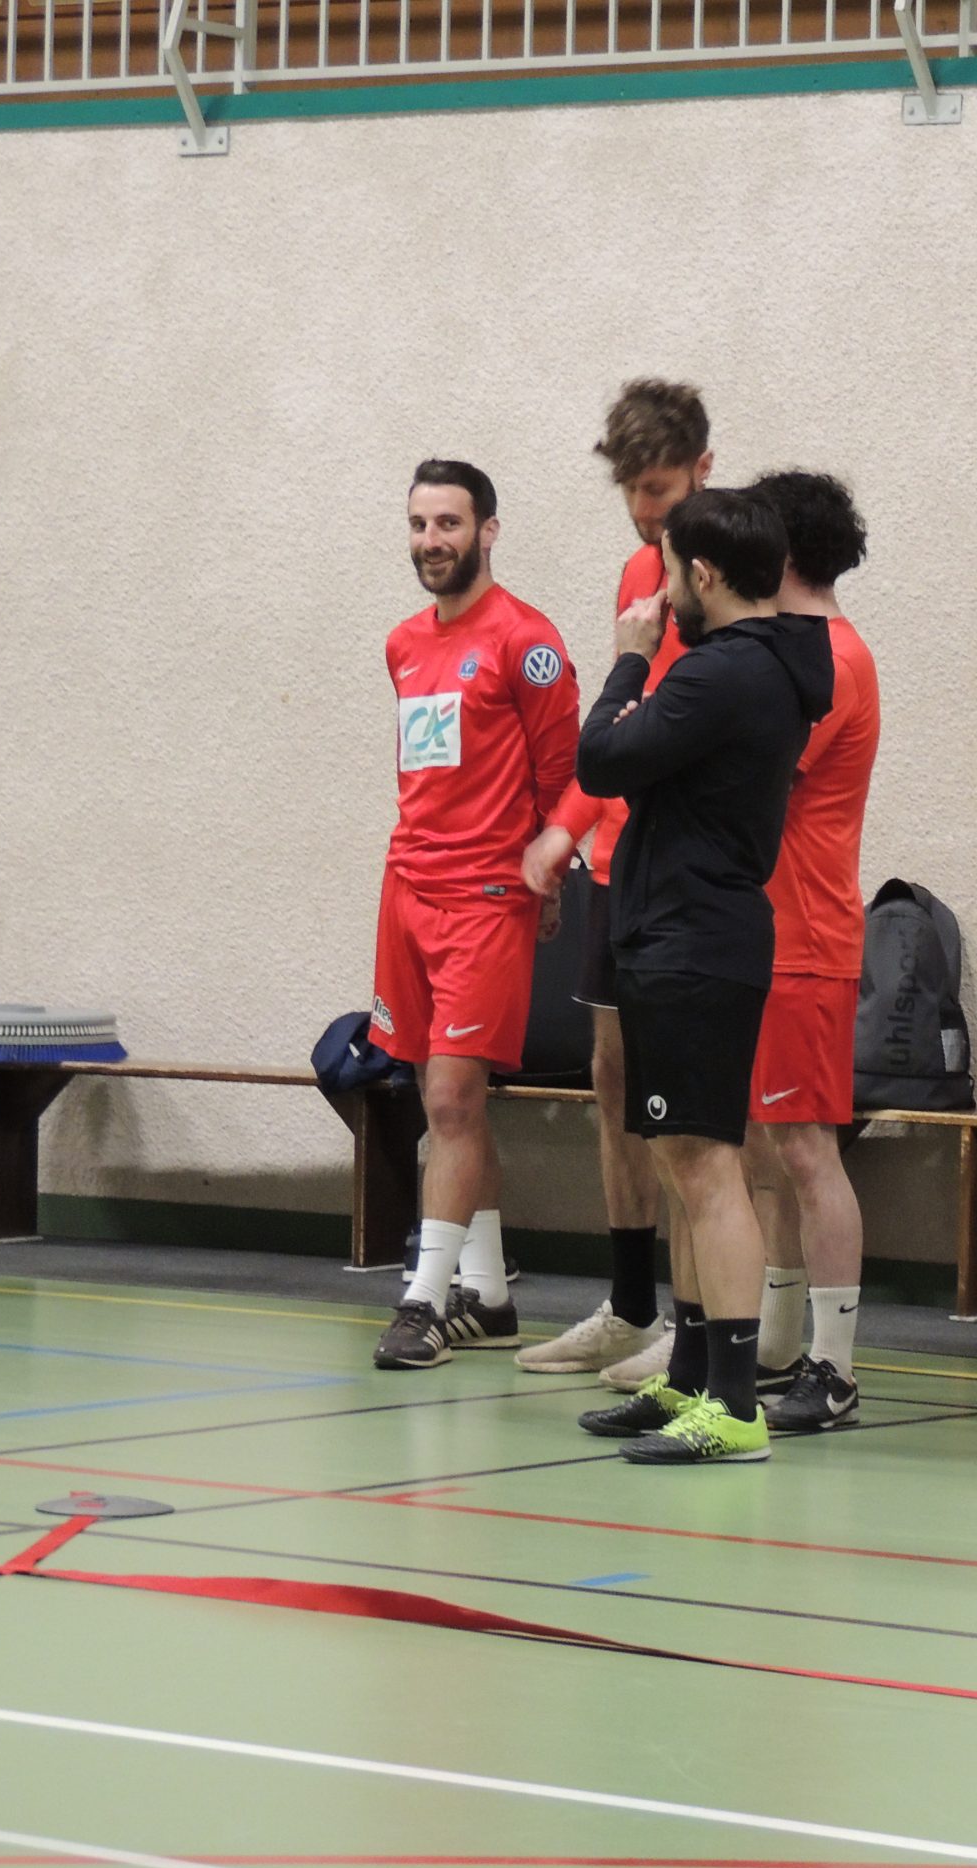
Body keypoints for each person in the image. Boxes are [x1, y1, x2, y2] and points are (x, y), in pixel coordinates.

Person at [572, 490, 832, 1465]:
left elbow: (600, 759)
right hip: (674, 936)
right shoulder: (755, 666)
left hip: (694, 942)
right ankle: (689, 1377)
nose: (663, 591)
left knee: (709, 1169)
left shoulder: (725, 672)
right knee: (682, 1165)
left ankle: (731, 1405)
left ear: (706, 575)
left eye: (673, 571)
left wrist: (629, 657)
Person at [517, 380, 714, 1383]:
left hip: (690, 870)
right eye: (633, 491)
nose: (645, 509)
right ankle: (632, 1305)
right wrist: (566, 829)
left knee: (689, 1106)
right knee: (613, 1077)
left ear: (702, 470)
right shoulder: (639, 571)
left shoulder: (730, 573)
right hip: (619, 858)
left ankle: (703, 1317)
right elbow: (619, 722)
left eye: (661, 488)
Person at [368, 460, 582, 1369]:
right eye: (419, 525)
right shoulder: (402, 644)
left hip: (487, 902)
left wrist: (549, 871)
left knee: (454, 1100)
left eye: (448, 524)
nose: (431, 542)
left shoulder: (527, 643)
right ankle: (488, 1296)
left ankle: (423, 1302)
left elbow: (570, 777)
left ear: (488, 531)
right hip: (407, 894)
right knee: (443, 1104)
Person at [738, 471, 880, 1435]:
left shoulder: (833, 660)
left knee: (806, 1147)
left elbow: (755, 775)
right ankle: (779, 1344)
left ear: (784, 551)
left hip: (807, 937)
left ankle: (834, 1369)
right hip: (762, 930)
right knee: (765, 1145)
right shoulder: (791, 651)